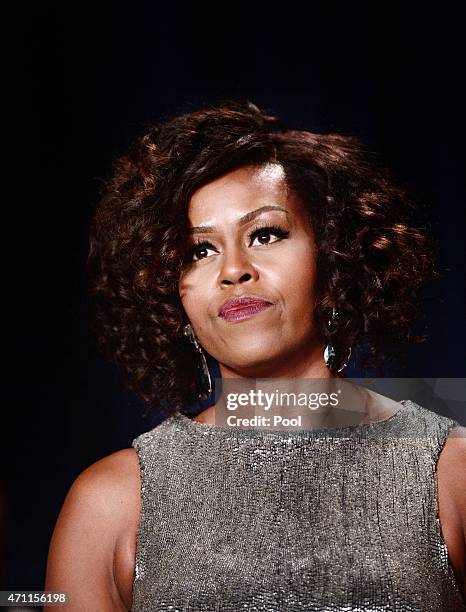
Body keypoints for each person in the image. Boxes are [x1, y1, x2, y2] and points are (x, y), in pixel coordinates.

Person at [44, 101, 465, 611]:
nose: (234, 270)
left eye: (265, 234)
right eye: (198, 251)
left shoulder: (450, 471)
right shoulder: (110, 502)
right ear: (170, 293)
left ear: (335, 259)